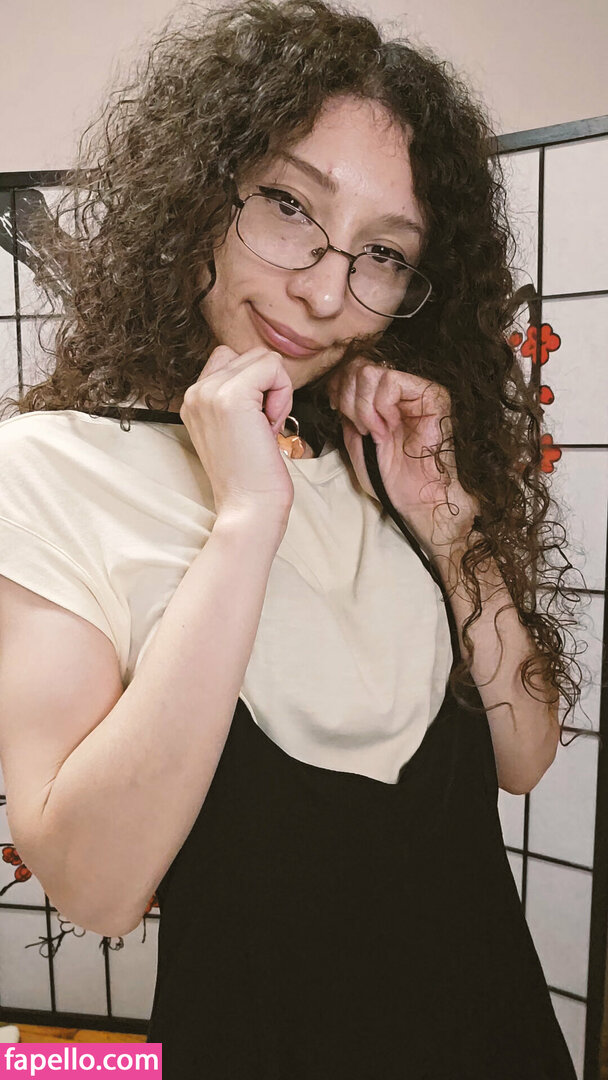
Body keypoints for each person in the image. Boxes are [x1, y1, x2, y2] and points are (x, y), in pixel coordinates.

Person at [0, 0, 584, 1076]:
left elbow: (525, 755)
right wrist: (244, 519)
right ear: (200, 189)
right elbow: (94, 887)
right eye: (286, 206)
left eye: (382, 254)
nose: (321, 291)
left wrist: (452, 533)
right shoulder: (52, 470)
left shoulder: (381, 452)